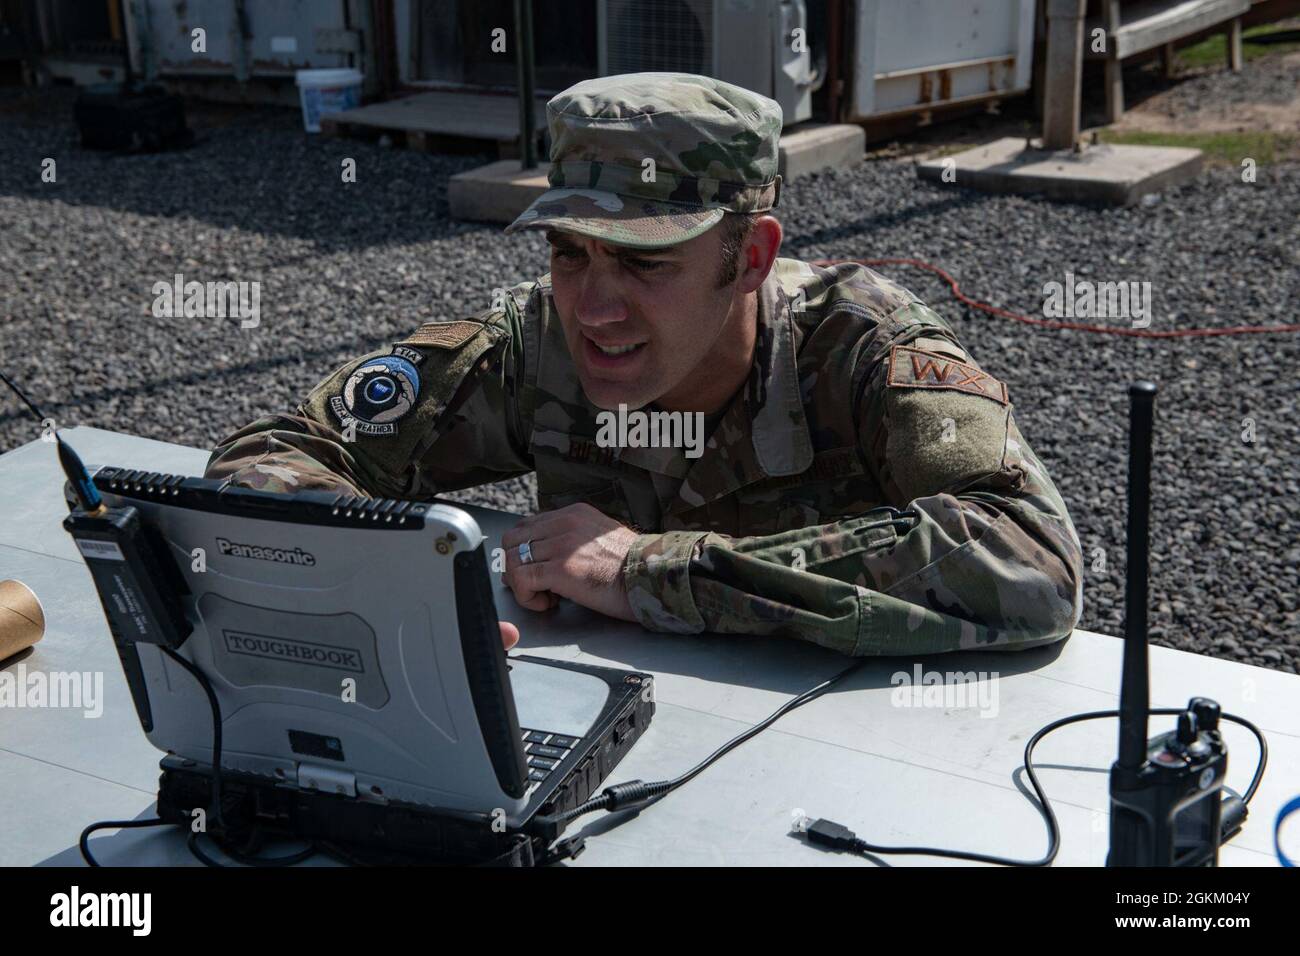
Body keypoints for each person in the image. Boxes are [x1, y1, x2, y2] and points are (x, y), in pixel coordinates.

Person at [207, 72, 1084, 657]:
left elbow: (1029, 559)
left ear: (750, 257)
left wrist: (650, 572)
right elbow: (272, 456)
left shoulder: (862, 350)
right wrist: (412, 583)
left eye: (645, 262)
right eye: (570, 253)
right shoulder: (531, 343)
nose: (594, 307)